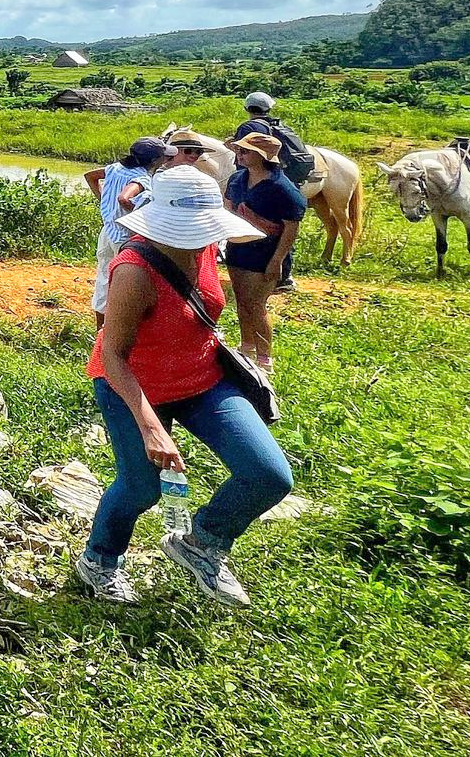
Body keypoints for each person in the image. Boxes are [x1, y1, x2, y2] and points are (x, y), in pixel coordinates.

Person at [77, 164, 294, 607]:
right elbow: (114, 355)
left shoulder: (206, 249)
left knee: (269, 474)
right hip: (133, 386)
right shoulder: (134, 272)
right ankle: (99, 559)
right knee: (142, 487)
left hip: (202, 379)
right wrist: (151, 427)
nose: (197, 238)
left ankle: (203, 541)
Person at [222, 132, 304, 379]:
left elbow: (291, 227)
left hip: (266, 254)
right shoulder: (237, 179)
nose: (240, 155)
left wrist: (277, 260)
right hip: (238, 250)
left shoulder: (282, 188)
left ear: (261, 156)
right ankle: (247, 347)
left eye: (245, 151)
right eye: (239, 151)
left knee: (256, 305)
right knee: (242, 302)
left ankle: (264, 358)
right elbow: (228, 207)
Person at [229, 92, 315, 290]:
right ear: (269, 108)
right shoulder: (278, 126)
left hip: (260, 182)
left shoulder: (249, 128)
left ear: (247, 109)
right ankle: (286, 275)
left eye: (243, 150)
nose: (240, 153)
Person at [85, 138, 172, 327]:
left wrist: (103, 201)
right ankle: (118, 327)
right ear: (154, 161)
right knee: (125, 283)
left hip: (107, 232)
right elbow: (124, 198)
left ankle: (100, 329)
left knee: (104, 278)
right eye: (163, 157)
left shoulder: (115, 168)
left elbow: (90, 176)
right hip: (125, 237)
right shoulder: (141, 178)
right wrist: (139, 213)